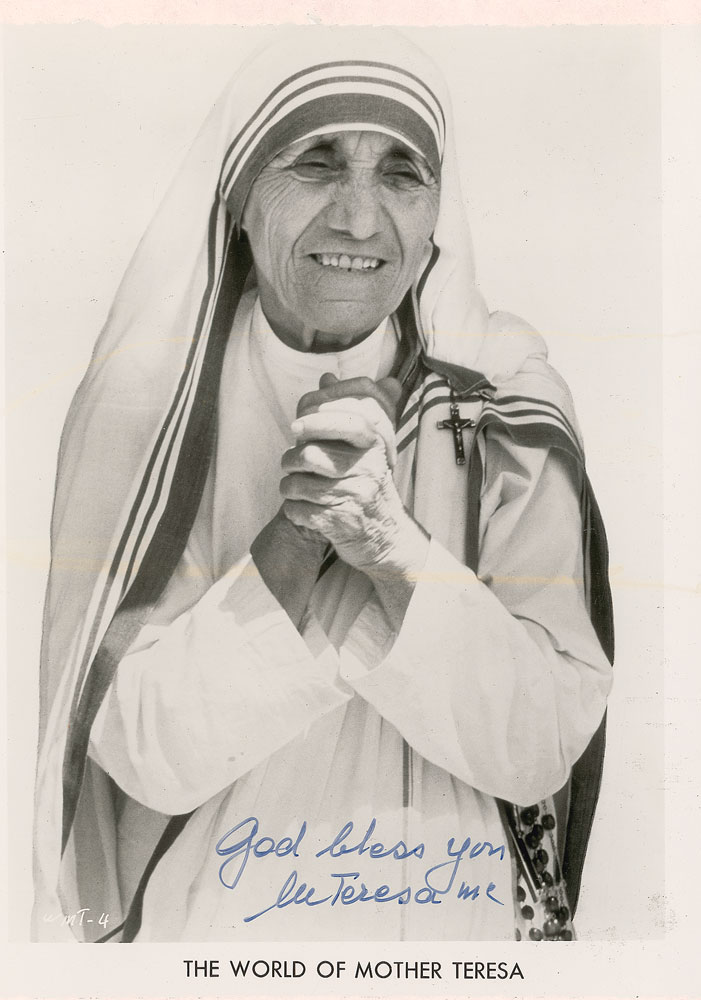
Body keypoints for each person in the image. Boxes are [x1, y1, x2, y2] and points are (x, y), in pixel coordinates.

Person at [32, 28, 613, 943]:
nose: (358, 219)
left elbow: (541, 743)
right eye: (316, 162)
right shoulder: (150, 404)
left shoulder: (500, 396)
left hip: (443, 931)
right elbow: (137, 751)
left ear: (437, 211)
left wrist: (389, 546)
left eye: (401, 172)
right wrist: (297, 534)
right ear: (238, 195)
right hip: (215, 938)